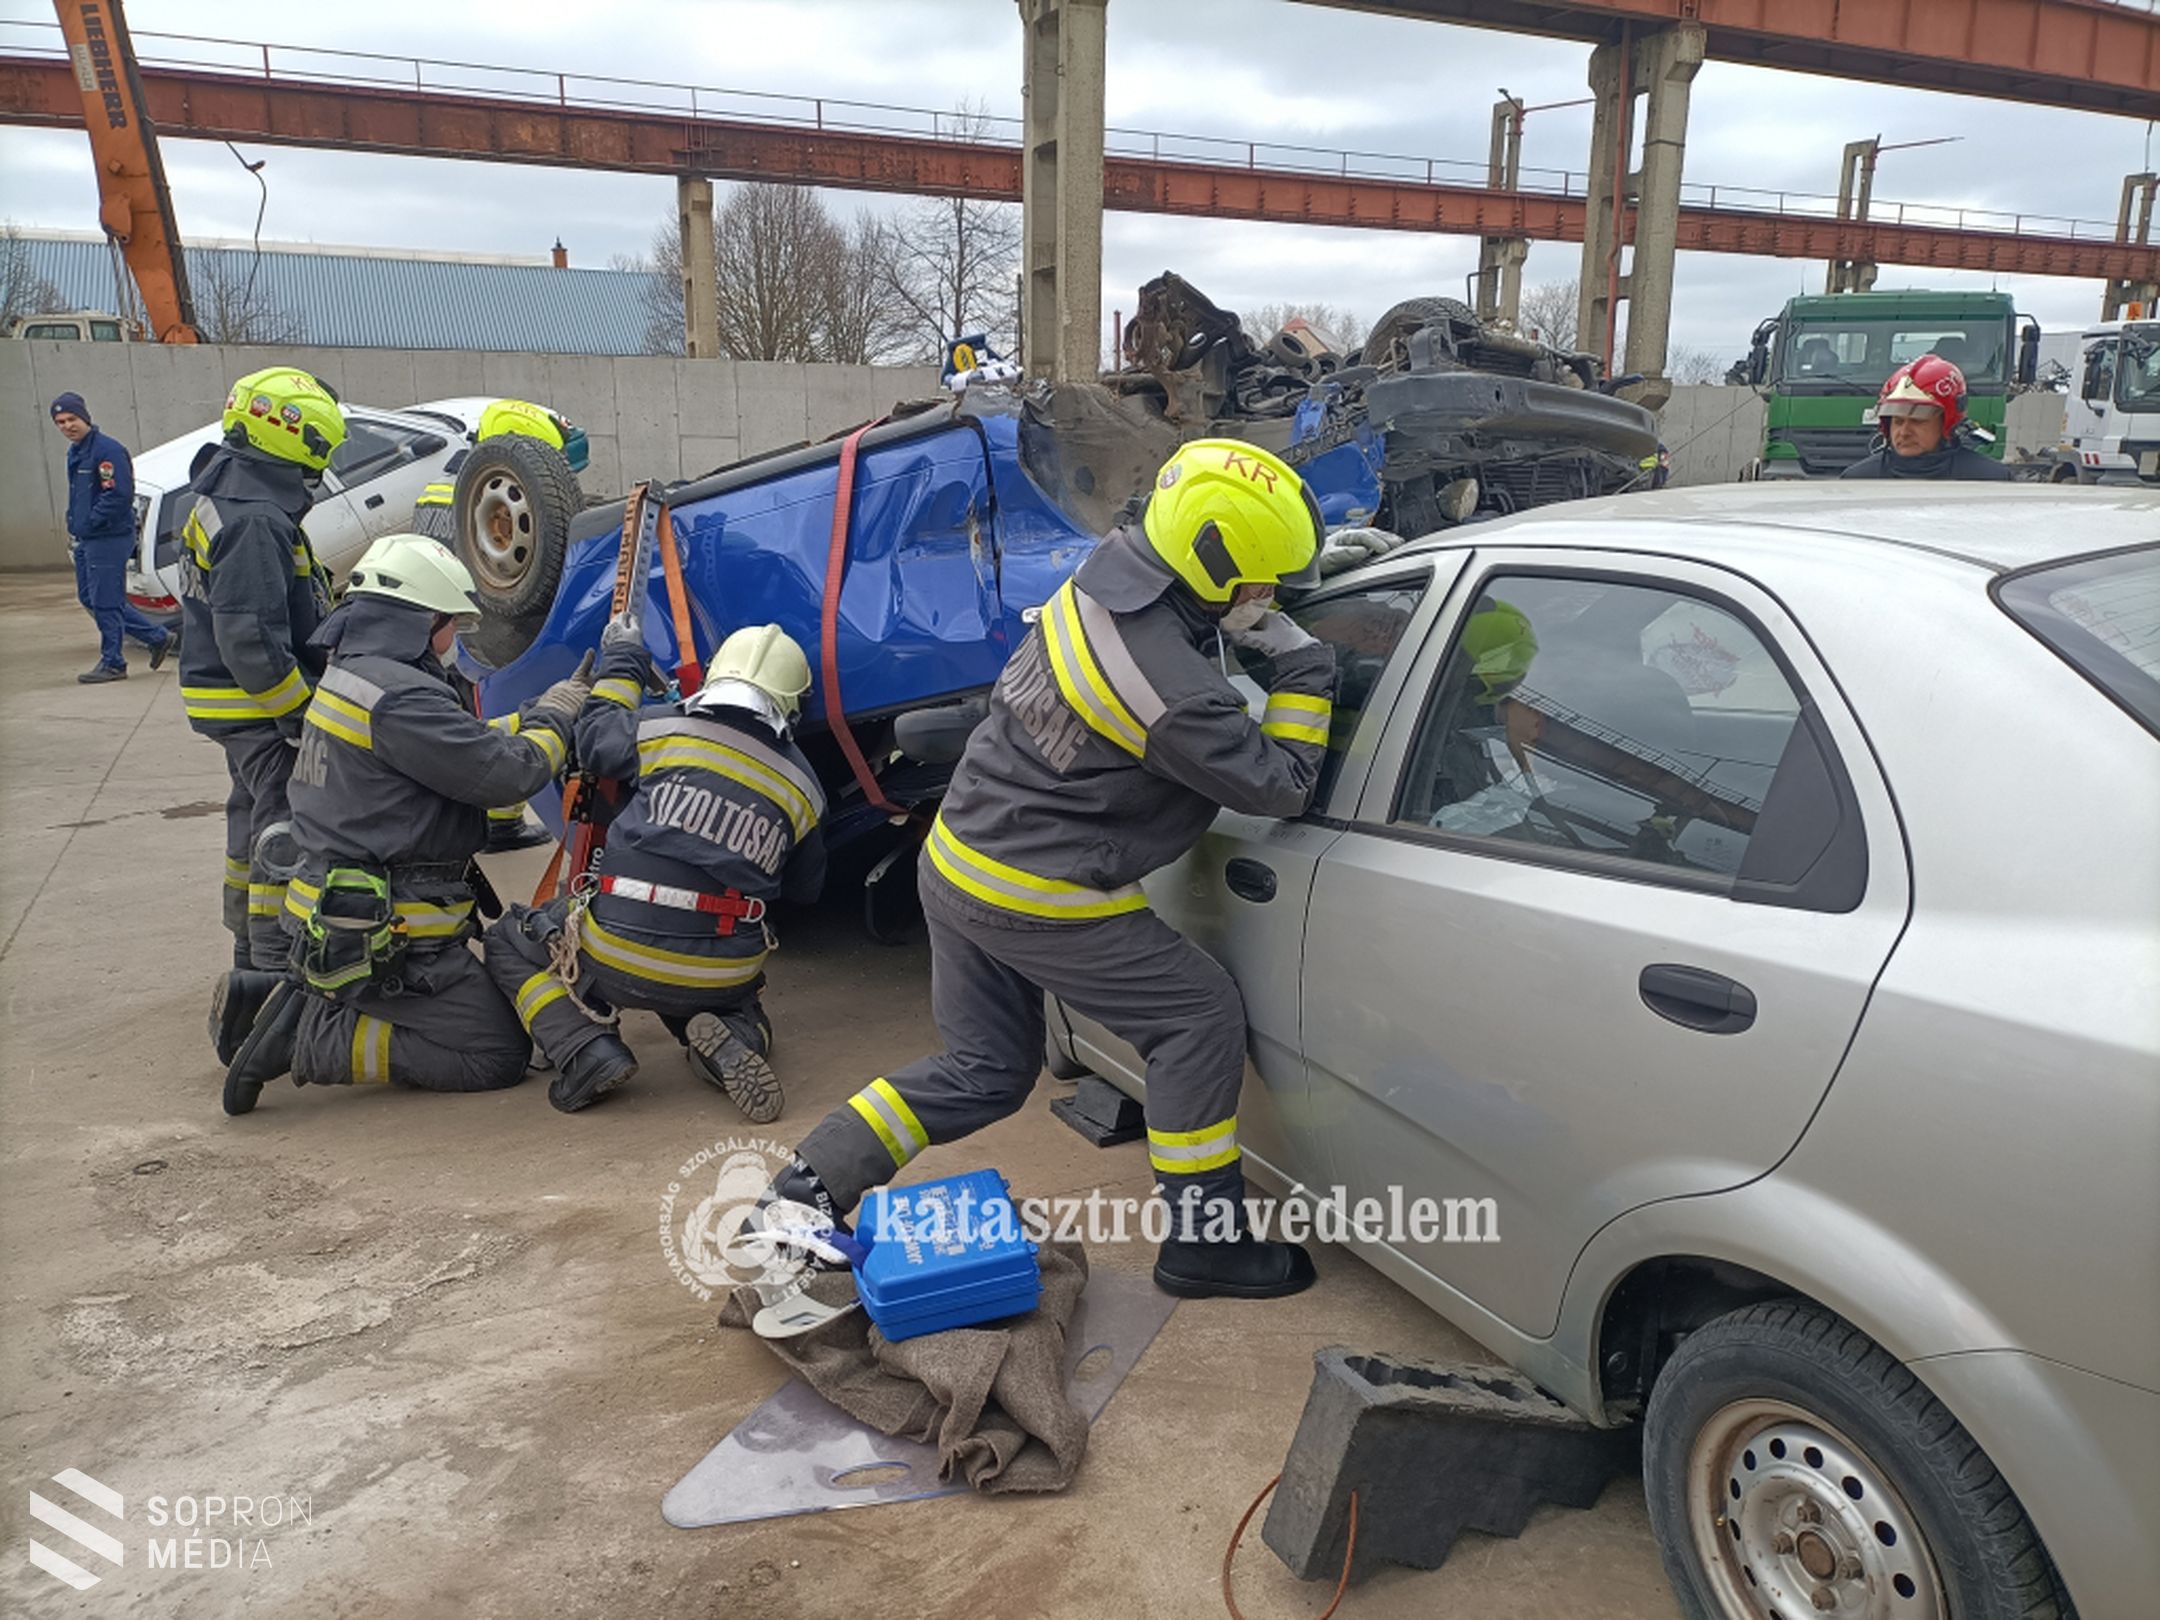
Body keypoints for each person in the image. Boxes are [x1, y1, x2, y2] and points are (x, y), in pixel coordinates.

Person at [765, 438, 1340, 1302]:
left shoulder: (1103, 576)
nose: (1267, 597)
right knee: (1196, 1016)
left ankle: (804, 1189)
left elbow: (1183, 635)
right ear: (1214, 566)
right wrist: (1304, 663)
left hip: (959, 860)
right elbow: (1285, 785)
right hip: (1040, 890)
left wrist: (1250, 607)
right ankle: (1205, 1243)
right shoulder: (1174, 690)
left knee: (986, 1071)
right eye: (1260, 581)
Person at [213, 534, 590, 1116]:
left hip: (339, 910)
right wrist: (559, 719)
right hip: (390, 932)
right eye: (451, 624)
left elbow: (457, 747)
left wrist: (540, 710)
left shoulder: (356, 676)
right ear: (421, 620)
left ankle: (277, 996)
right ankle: (314, 1038)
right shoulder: (401, 697)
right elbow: (509, 773)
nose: (453, 641)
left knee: (495, 1008)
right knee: (496, 1052)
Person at [482, 625, 827, 1118]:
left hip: (615, 955)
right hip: (721, 971)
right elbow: (806, 890)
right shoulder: (805, 788)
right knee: (739, 1005)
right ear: (793, 702)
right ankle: (731, 1036)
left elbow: (594, 737)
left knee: (509, 940)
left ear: (716, 677)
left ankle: (585, 1050)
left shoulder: (661, 730)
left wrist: (623, 659)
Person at [178, 367, 346, 974]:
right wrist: (298, 713)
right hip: (257, 706)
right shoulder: (254, 518)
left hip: (231, 702)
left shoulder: (229, 495)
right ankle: (273, 966)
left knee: (249, 820)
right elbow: (250, 634)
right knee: (283, 826)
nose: (320, 468)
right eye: (320, 451)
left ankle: (248, 948)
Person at [51, 392, 173, 683]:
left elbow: (117, 495)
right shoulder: (77, 451)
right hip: (87, 537)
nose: (67, 426)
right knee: (90, 598)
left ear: (85, 418)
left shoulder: (108, 451)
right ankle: (156, 637)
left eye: (72, 419)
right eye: (60, 422)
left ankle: (113, 663)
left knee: (105, 601)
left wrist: (91, 522)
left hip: (107, 537)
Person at [1840, 357, 2013, 482]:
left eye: (1917, 420)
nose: (1904, 432)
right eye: (1898, 421)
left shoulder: (1990, 480)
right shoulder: (1859, 480)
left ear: (1947, 423)